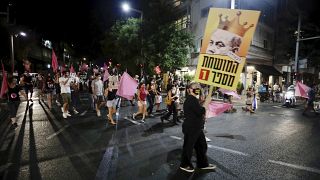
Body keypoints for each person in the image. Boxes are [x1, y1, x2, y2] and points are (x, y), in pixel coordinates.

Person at [179, 82, 216, 172]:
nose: (197, 89)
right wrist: (206, 104)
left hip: (196, 128)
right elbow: (200, 111)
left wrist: (203, 102)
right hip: (192, 128)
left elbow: (196, 111)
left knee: (202, 146)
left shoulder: (193, 99)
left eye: (198, 87)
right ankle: (185, 164)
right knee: (189, 147)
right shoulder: (191, 99)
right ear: (189, 89)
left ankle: (202, 164)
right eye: (195, 87)